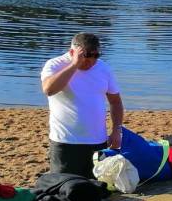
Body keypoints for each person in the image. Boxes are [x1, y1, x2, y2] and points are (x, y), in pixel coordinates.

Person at [40, 33, 123, 178]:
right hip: (65, 142)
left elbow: (115, 102)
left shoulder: (104, 69)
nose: (91, 61)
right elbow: (49, 90)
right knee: (65, 186)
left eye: (96, 56)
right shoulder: (55, 65)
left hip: (98, 142)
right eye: (86, 56)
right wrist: (74, 65)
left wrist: (117, 129)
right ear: (72, 52)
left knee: (96, 188)